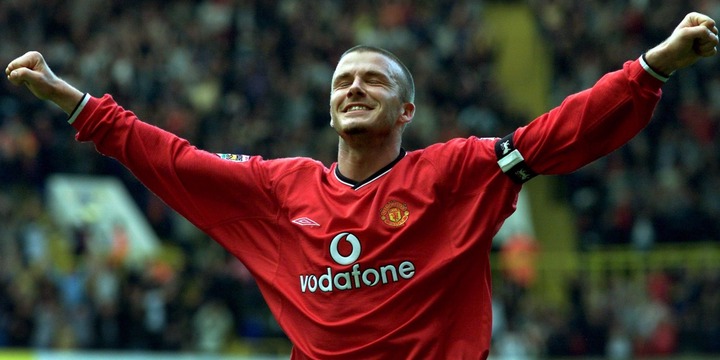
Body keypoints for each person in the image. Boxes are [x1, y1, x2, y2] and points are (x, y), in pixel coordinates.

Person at [5, 11, 718, 359]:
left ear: (406, 109)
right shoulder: (280, 189)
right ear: (328, 106)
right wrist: (74, 101)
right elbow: (171, 160)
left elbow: (557, 136)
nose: (354, 88)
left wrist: (652, 69)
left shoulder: (453, 172)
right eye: (343, 80)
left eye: (373, 79)